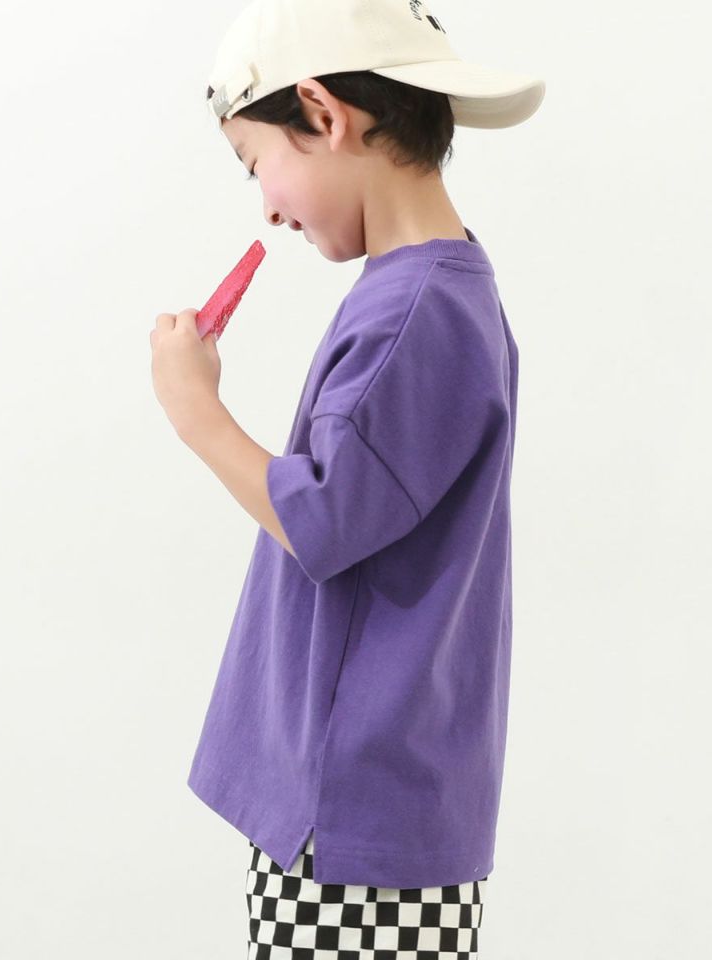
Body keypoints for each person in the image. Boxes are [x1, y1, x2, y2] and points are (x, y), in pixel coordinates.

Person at [150, 0, 545, 955]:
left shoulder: (416, 309)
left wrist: (197, 414)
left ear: (324, 114)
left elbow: (324, 519)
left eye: (256, 164)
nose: (267, 206)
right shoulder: (430, 291)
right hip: (377, 812)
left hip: (351, 827)